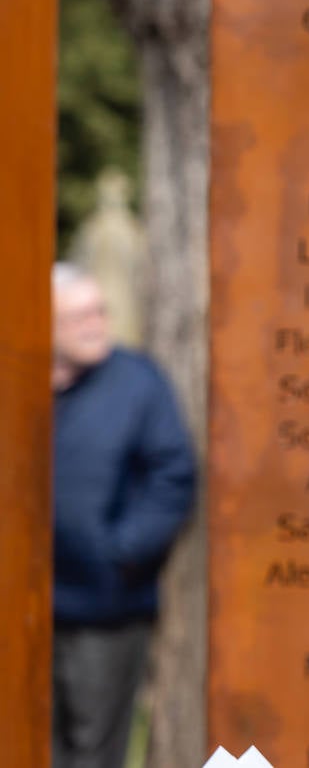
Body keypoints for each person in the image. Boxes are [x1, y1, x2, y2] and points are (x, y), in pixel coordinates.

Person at [50, 263, 197, 768]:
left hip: (103, 609)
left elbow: (173, 474)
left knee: (92, 750)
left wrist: (121, 552)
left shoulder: (135, 382)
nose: (96, 324)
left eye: (100, 310)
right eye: (78, 316)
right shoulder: (24, 386)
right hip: (26, 611)